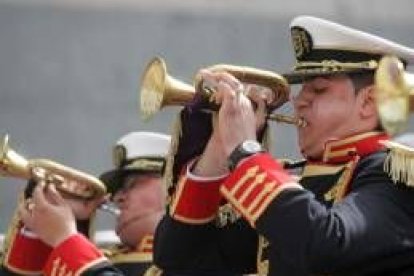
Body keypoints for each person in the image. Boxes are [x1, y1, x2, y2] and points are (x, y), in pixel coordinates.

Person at [152, 15, 414, 276]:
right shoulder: (296, 185)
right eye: (303, 90)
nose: (299, 101)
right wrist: (219, 149)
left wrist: (245, 152)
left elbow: (326, 246)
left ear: (368, 103)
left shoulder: (394, 175)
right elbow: (180, 259)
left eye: (319, 90)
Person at [1, 131, 170, 275]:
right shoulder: (108, 257)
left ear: (173, 186)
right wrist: (39, 228)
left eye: (132, 184)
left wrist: (67, 240)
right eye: (117, 191)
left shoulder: (191, 259)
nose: (117, 198)